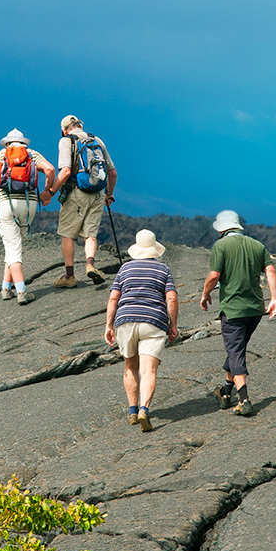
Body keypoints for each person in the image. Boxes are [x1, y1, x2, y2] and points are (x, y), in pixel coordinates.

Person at [199, 210, 276, 416]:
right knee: (237, 348)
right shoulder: (257, 245)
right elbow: (270, 271)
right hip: (255, 309)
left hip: (233, 309)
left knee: (235, 352)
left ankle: (243, 399)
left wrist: (205, 293)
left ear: (222, 229)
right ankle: (226, 392)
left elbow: (214, 275)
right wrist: (274, 299)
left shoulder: (221, 246)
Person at [104, 230, 178, 432]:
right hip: (153, 321)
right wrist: (173, 325)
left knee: (130, 366)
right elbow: (171, 298)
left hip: (126, 320)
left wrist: (109, 326)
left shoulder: (125, 269)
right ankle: (145, 408)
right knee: (148, 370)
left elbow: (113, 298)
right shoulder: (163, 270)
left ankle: (133, 411)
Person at [39, 115, 117, 288]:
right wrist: (109, 194)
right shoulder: (96, 140)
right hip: (97, 194)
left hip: (76, 193)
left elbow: (66, 171)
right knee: (90, 234)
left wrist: (50, 192)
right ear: (80, 125)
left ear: (64, 130)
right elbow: (112, 173)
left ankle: (69, 276)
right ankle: (90, 265)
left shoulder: (67, 141)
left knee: (68, 234)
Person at [0, 128, 56, 305]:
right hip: (29, 204)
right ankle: (5, 287)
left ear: (7, 143)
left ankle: (21, 291)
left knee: (12, 247)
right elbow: (50, 169)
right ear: (23, 142)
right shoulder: (32, 154)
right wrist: (47, 191)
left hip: (6, 204)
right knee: (14, 245)